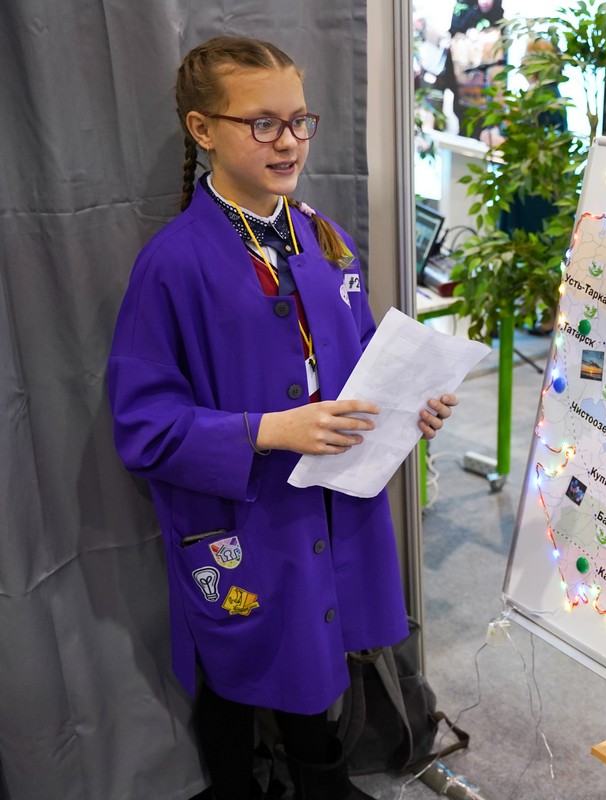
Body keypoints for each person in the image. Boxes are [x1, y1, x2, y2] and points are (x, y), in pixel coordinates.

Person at [107, 35, 456, 799]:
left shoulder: (325, 241)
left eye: (299, 120)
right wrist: (268, 430)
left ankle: (323, 783)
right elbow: (143, 425)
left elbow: (364, 363)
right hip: (245, 517)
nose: (289, 141)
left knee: (321, 653)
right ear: (203, 130)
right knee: (244, 666)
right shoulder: (173, 264)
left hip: (333, 502)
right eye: (262, 123)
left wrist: (413, 403)